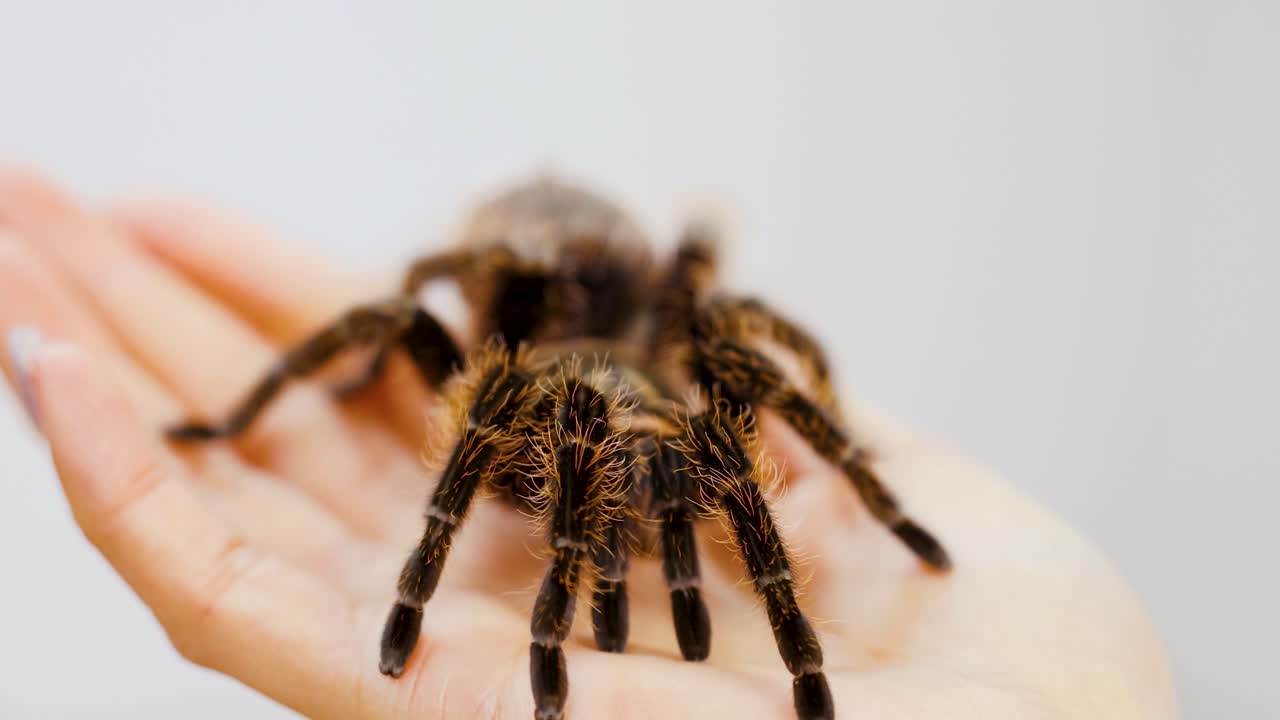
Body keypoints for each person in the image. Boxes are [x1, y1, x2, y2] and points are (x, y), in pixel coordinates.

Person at [0, 168, 1175, 719]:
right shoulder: (507, 383)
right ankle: (256, 409)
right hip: (541, 321)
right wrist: (422, 576)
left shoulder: (693, 382)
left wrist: (859, 477)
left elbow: (756, 352)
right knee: (412, 337)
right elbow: (421, 309)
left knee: (724, 366)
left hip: (623, 353)